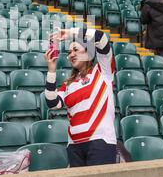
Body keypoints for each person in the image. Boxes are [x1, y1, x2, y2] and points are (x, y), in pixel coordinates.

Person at [44, 27, 117, 167]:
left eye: (76, 50)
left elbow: (101, 38)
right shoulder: (68, 84)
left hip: (100, 142)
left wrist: (70, 33)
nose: (71, 54)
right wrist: (51, 70)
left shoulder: (103, 70)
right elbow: (52, 103)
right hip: (74, 146)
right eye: (69, 52)